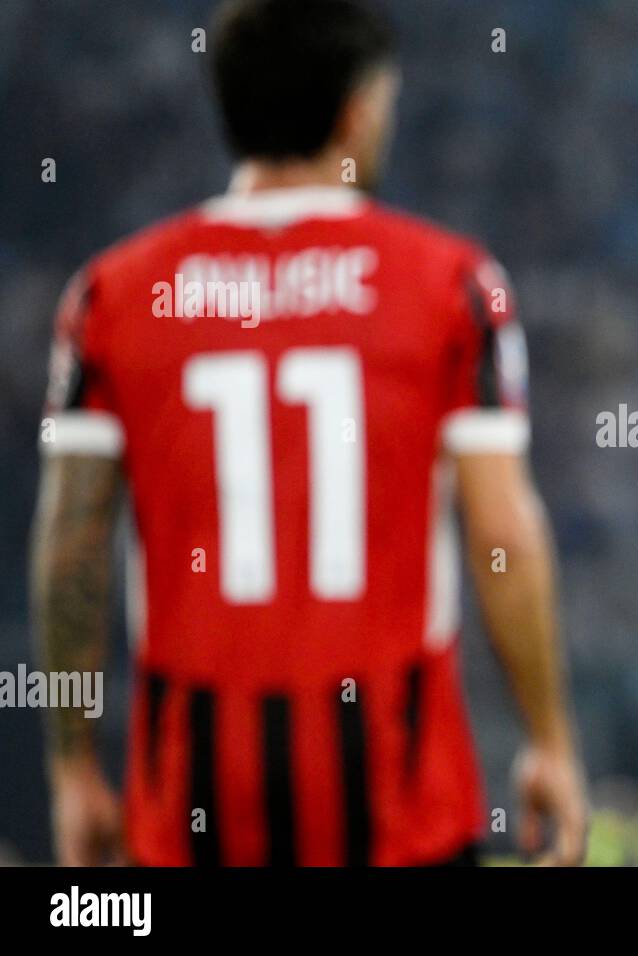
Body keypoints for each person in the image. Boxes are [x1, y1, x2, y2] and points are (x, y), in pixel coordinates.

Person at [31, 0, 586, 867]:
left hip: (191, 812)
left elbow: (71, 547)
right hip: (398, 807)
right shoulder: (453, 285)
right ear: (357, 110)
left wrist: (70, 765)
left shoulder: (109, 295)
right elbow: (502, 531)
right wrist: (549, 738)